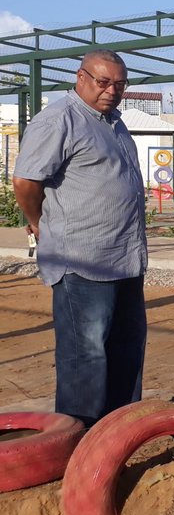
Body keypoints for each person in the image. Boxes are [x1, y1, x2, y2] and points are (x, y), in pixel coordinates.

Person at [13, 50, 148, 427]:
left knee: (127, 348)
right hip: (82, 261)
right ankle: (78, 442)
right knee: (84, 356)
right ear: (81, 77)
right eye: (103, 82)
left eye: (119, 84)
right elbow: (26, 181)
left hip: (124, 258)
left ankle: (117, 433)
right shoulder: (59, 120)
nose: (111, 91)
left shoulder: (114, 124)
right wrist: (38, 222)